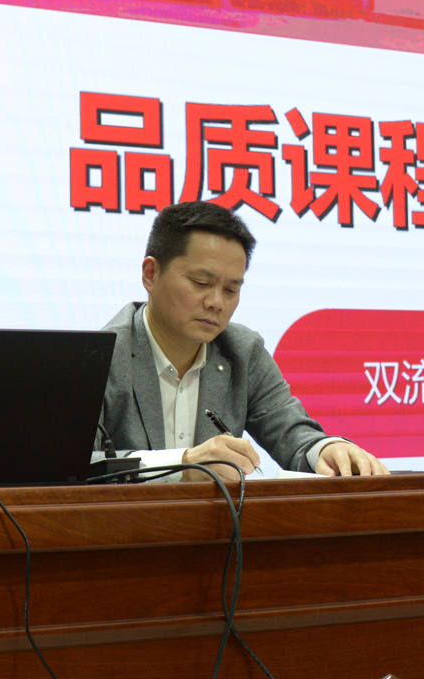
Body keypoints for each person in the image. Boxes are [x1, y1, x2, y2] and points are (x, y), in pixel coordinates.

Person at [97, 200, 387, 481]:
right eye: (201, 283)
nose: (216, 302)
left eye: (231, 290)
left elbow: (292, 433)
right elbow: (79, 465)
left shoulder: (243, 351)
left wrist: (326, 449)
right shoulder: (101, 356)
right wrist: (182, 464)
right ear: (151, 274)